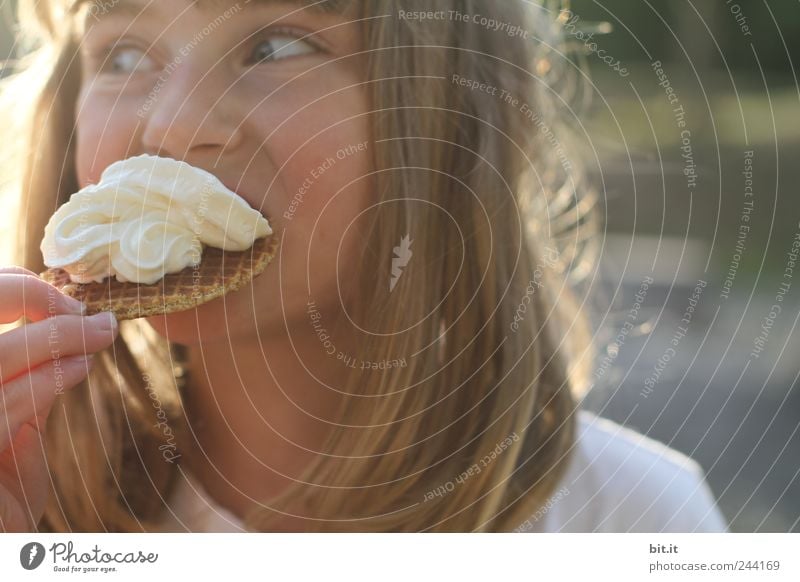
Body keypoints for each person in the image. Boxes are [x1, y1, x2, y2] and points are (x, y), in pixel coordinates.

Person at [0, 0, 726, 532]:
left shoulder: (635, 521)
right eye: (124, 56)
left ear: (450, 121)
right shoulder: (41, 510)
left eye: (279, 46)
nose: (172, 126)